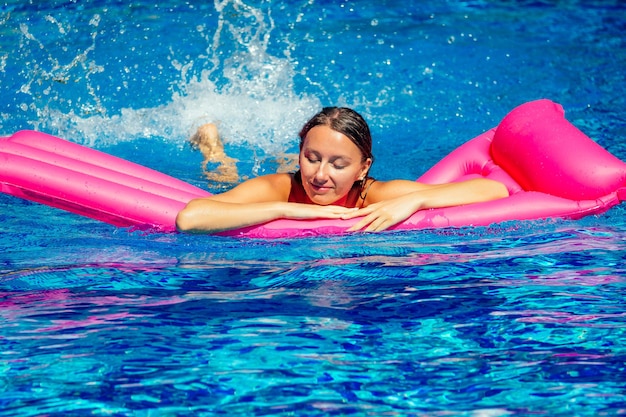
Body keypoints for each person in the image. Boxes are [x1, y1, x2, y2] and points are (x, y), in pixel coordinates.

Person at [176, 107, 509, 233]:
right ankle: (212, 146)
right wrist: (285, 209)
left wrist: (417, 201)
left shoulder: (373, 196)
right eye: (311, 157)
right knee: (222, 173)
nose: (321, 175)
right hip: (282, 193)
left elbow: (492, 190)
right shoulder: (280, 189)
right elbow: (190, 217)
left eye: (338, 164)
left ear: (363, 168)